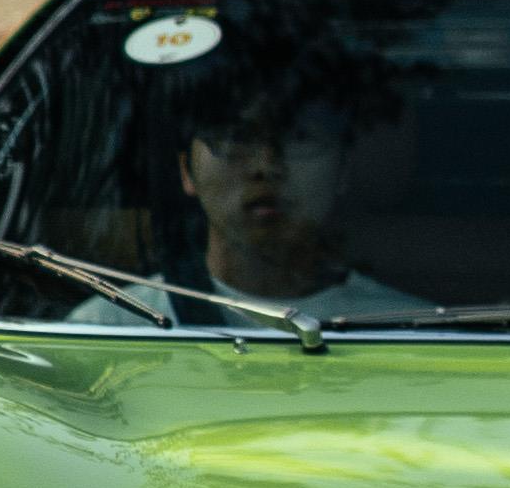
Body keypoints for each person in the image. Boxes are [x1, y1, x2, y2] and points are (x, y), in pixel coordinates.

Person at [168, 67, 428, 324]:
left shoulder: (415, 331)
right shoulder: (131, 323)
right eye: (236, 138)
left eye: (299, 137)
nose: (266, 166)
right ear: (186, 171)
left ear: (343, 170)